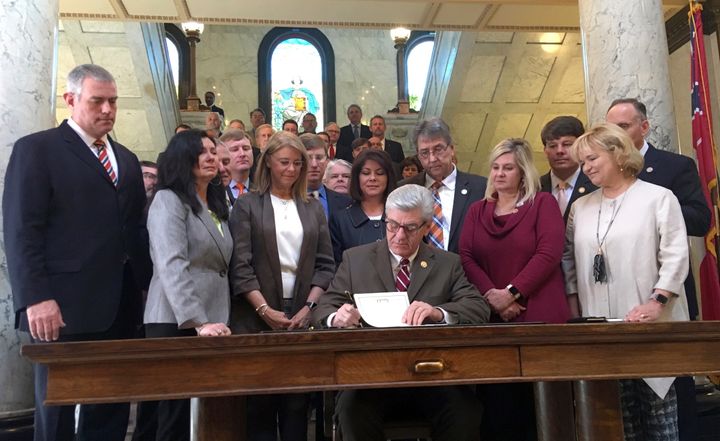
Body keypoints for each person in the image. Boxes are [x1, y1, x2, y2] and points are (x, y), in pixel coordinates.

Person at [3, 64, 150, 441]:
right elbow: (23, 232)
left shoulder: (128, 160)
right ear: (71, 100)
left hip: (121, 305)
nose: (107, 110)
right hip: (61, 308)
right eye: (97, 101)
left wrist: (145, 289)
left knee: (111, 407)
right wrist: (36, 298)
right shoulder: (37, 150)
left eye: (113, 101)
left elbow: (133, 231)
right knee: (57, 412)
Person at [313, 184, 489, 441]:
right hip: (370, 377)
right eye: (392, 225)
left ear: (427, 227)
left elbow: (478, 306)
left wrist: (438, 313)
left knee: (465, 411)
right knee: (351, 412)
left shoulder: (446, 263)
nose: (399, 235)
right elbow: (323, 309)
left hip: (432, 376)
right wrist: (336, 317)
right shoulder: (356, 260)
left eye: (409, 227)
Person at [563, 123, 689, 441]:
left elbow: (675, 257)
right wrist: (574, 305)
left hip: (651, 328)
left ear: (618, 154)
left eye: (592, 158)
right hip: (603, 333)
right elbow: (568, 262)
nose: (586, 167)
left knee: (660, 427)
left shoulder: (659, 198)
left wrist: (656, 302)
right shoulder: (580, 207)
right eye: (583, 162)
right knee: (618, 427)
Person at [606, 98, 708, 441]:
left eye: (623, 127)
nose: (615, 135)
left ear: (644, 127)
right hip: (616, 301)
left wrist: (649, 205)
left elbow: (700, 219)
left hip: (663, 298)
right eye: (610, 128)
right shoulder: (600, 174)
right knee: (626, 408)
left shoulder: (674, 167)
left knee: (672, 401)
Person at [459, 138, 568, 441]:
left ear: (523, 172)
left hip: (539, 312)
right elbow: (466, 256)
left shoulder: (542, 204)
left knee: (543, 405)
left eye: (508, 168)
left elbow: (548, 253)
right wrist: (493, 297)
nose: (500, 174)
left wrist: (512, 292)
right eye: (495, 167)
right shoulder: (477, 211)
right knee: (498, 404)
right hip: (492, 318)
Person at [229, 131, 335, 441]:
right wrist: (264, 309)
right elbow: (240, 266)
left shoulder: (312, 206)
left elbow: (325, 263)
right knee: (259, 403)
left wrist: (309, 308)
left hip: (301, 314)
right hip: (256, 314)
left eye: (297, 163)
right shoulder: (248, 204)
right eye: (284, 162)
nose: (291, 170)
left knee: (296, 404)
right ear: (268, 163)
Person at [143, 129, 232, 440]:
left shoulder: (214, 203)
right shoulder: (168, 200)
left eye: (213, 151)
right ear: (183, 158)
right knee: (172, 416)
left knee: (203, 415)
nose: (211, 157)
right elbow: (171, 264)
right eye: (202, 151)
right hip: (175, 319)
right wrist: (198, 320)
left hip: (213, 319)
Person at [400, 117, 487, 253]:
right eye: (424, 153)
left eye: (438, 149)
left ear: (452, 149)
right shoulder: (405, 189)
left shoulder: (480, 188)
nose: (432, 158)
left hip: (464, 270)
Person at [330, 150, 397, 263]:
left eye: (380, 173)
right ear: (357, 177)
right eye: (366, 173)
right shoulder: (340, 219)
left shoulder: (401, 215)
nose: (372, 178)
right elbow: (335, 265)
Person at [539, 116, 596, 222]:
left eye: (567, 144)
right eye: (552, 146)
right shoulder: (534, 188)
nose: (559, 151)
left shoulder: (596, 185)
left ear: (580, 147)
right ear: (545, 151)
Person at [300, 133, 352, 220]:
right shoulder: (283, 200)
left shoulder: (346, 202)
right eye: (308, 158)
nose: (314, 164)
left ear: (327, 162)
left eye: (319, 158)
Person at [219, 129, 255, 204]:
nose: (242, 154)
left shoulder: (263, 190)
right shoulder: (215, 192)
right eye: (235, 150)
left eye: (246, 148)